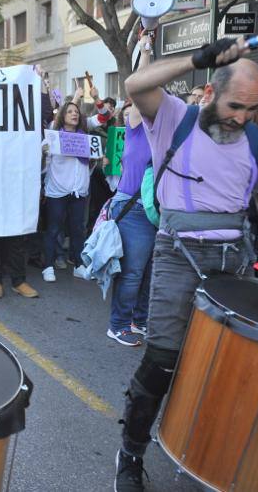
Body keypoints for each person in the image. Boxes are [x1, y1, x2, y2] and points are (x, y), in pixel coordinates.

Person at [113, 38, 258, 491]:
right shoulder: (175, 117)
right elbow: (136, 83)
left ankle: (211, 453)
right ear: (210, 92)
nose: (242, 117)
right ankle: (130, 456)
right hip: (178, 254)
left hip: (235, 260)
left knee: (232, 366)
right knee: (162, 361)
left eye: (251, 110)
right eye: (235, 106)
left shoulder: (254, 139)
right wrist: (198, 58)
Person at [107, 37, 156, 348]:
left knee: (148, 274)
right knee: (133, 273)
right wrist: (147, 52)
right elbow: (140, 87)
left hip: (157, 211)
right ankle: (119, 324)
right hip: (133, 209)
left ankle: (139, 320)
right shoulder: (138, 127)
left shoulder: (167, 131)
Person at [41, 101, 94, 282]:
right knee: (54, 228)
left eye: (76, 112)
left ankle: (79, 265)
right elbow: (44, 163)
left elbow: (87, 164)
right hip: (58, 190)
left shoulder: (85, 138)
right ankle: (48, 266)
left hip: (79, 190)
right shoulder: (53, 137)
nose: (74, 114)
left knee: (77, 229)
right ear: (63, 115)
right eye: (70, 111)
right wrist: (44, 151)